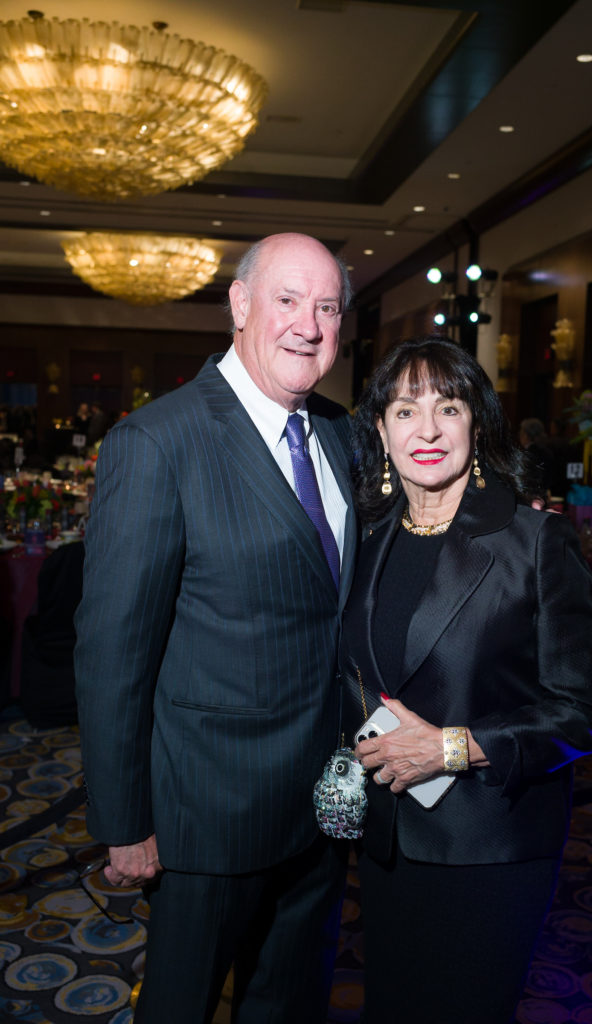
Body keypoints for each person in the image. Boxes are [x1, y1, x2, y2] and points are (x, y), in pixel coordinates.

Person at [74, 233, 357, 1023]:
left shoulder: (341, 433)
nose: (309, 325)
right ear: (239, 305)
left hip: (327, 808)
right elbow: (112, 654)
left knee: (292, 1003)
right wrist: (125, 821)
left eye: (328, 307)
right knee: (182, 1006)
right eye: (289, 301)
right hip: (208, 814)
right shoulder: (157, 441)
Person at [341, 337, 592, 1024]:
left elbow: (584, 712)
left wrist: (454, 747)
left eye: (447, 407)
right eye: (404, 411)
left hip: (491, 848)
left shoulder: (535, 543)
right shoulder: (367, 542)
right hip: (390, 844)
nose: (426, 430)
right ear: (381, 429)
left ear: (477, 423)